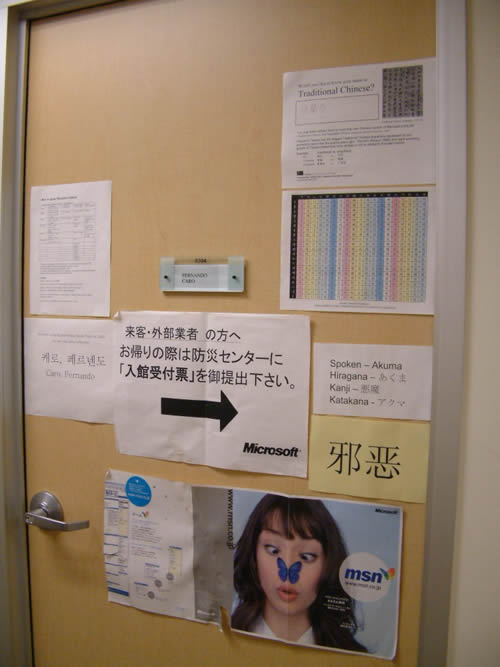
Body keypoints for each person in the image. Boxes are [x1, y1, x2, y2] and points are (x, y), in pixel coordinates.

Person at [232, 493, 366, 652]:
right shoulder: (223, 637)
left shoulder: (354, 656)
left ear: (328, 564)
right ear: (253, 554)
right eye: (273, 550)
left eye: (306, 556)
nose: (288, 566)